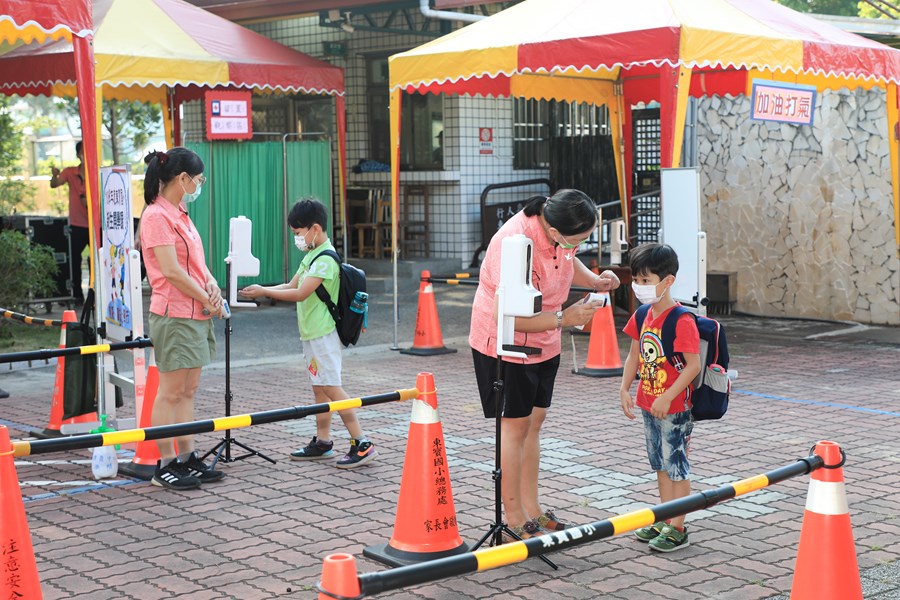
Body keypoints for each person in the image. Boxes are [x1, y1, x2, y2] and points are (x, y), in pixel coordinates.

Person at [469, 189, 620, 540]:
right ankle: (514, 514)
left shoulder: (558, 229)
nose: (579, 245)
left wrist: (593, 280)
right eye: (578, 239)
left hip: (546, 339)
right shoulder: (516, 243)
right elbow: (505, 318)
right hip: (507, 346)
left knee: (533, 424)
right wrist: (564, 318)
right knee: (514, 427)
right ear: (553, 231)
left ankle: (532, 506)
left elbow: (568, 259)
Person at [240, 198, 377, 469]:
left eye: (298, 233)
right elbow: (291, 285)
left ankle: (362, 442)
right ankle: (323, 442)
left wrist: (265, 292)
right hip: (312, 333)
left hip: (325, 333)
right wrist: (263, 289)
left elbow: (301, 293)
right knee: (320, 390)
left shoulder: (326, 259)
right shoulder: (311, 256)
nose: (297, 239)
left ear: (314, 228)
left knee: (331, 387)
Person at [139, 147, 226, 490]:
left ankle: (187, 457)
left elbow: (196, 263)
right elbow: (172, 273)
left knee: (188, 390)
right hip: (174, 314)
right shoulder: (156, 216)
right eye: (199, 179)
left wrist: (212, 284)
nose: (200, 184)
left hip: (196, 311)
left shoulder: (180, 212)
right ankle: (164, 464)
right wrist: (209, 298)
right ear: (183, 179)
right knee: (170, 392)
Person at [619, 242, 701, 552]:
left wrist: (668, 396)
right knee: (660, 464)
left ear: (667, 281)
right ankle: (666, 517)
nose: (640, 287)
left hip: (674, 407)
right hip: (648, 402)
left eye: (646, 280)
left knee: (676, 464)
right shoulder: (642, 315)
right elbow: (633, 357)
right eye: (636, 281)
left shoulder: (681, 320)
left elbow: (693, 366)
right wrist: (625, 388)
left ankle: (678, 527)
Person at [50, 141, 88, 305]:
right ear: (78, 154)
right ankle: (77, 295)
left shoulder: (98, 173)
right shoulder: (70, 172)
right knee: (74, 261)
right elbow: (54, 184)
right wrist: (54, 175)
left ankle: (96, 296)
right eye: (82, 151)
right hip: (76, 224)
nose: (85, 154)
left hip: (96, 226)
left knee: (97, 262)